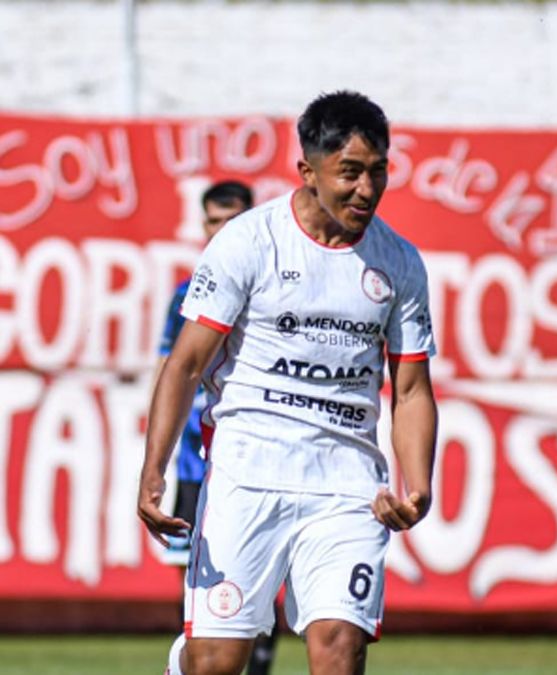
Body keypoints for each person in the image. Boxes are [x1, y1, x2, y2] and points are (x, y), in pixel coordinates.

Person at [137, 90, 438, 675]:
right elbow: (186, 363)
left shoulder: (399, 263)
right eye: (349, 173)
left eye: (379, 172)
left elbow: (410, 390)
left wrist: (418, 485)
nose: (366, 189)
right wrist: (155, 468)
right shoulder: (248, 243)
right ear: (308, 171)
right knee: (217, 664)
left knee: (340, 651)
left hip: (348, 488)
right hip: (247, 476)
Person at [157, 180, 253, 567]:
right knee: (190, 560)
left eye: (234, 219)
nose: (223, 230)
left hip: (251, 444)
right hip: (197, 451)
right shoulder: (187, 293)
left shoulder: (274, 287)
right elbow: (169, 366)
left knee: (252, 560)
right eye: (215, 221)